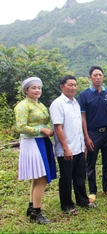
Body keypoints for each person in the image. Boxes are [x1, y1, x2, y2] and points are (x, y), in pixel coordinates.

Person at [50, 75, 97, 215]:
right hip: (66, 149)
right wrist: (65, 148)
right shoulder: (57, 104)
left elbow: (78, 125)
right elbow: (58, 128)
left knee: (80, 176)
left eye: (75, 85)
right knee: (66, 178)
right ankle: (67, 205)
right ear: (62, 86)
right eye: (70, 85)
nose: (73, 88)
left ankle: (82, 200)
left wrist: (83, 144)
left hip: (78, 147)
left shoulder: (76, 103)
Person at [14, 77, 57, 224]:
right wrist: (41, 129)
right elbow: (20, 127)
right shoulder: (23, 105)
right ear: (26, 90)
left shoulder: (39, 104)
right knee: (42, 178)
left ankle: (32, 206)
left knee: (36, 177)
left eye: (39, 87)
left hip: (42, 141)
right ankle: (37, 213)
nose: (37, 90)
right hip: (32, 142)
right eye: (34, 88)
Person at [78, 66, 107, 202]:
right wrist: (86, 137)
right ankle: (92, 191)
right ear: (90, 77)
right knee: (91, 163)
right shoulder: (84, 95)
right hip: (93, 133)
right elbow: (82, 117)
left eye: (100, 75)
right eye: (95, 75)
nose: (98, 77)